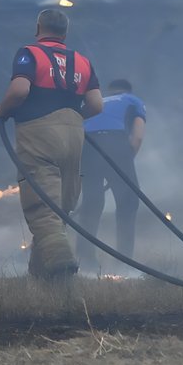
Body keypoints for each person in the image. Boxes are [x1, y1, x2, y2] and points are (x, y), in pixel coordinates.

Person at [0, 8, 103, 282]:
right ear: (65, 34)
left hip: (38, 131)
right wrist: (73, 118)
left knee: (42, 207)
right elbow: (97, 105)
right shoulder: (83, 61)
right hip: (74, 134)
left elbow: (19, 90)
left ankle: (63, 265)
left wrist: (1, 111)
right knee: (61, 207)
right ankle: (42, 281)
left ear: (37, 28)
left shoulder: (29, 53)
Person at [76, 78, 147, 272]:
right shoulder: (133, 101)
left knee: (92, 202)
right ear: (128, 90)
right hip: (115, 143)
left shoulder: (99, 102)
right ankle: (124, 262)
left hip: (87, 145)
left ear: (109, 91)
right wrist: (126, 160)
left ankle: (85, 260)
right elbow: (138, 135)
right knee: (128, 201)